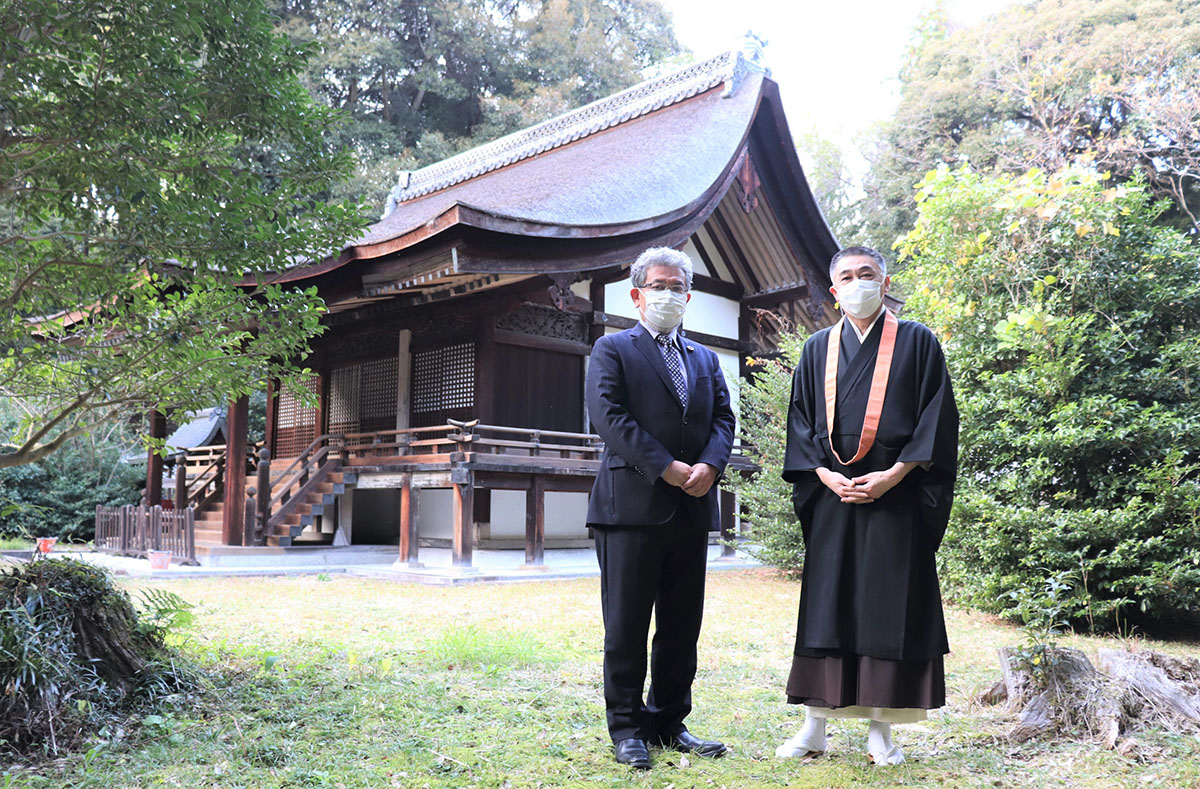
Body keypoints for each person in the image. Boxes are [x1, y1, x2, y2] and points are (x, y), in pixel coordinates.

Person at [775, 246, 958, 766]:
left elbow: (936, 419)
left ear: (885, 280)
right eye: (847, 277)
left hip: (895, 496)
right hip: (833, 495)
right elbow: (802, 423)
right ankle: (814, 725)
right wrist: (826, 475)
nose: (858, 283)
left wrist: (894, 475)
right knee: (827, 607)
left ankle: (882, 729)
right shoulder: (817, 349)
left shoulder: (918, 341)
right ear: (833, 291)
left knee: (887, 607)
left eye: (867, 274)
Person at [585, 246, 736, 770]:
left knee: (680, 627)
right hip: (629, 506)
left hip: (692, 508)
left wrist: (711, 467)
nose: (667, 295)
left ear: (688, 297)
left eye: (677, 288)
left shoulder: (705, 359)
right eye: (658, 286)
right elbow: (609, 417)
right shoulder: (612, 350)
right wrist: (666, 465)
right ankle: (627, 728)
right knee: (625, 625)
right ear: (637, 294)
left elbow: (723, 419)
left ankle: (670, 721)